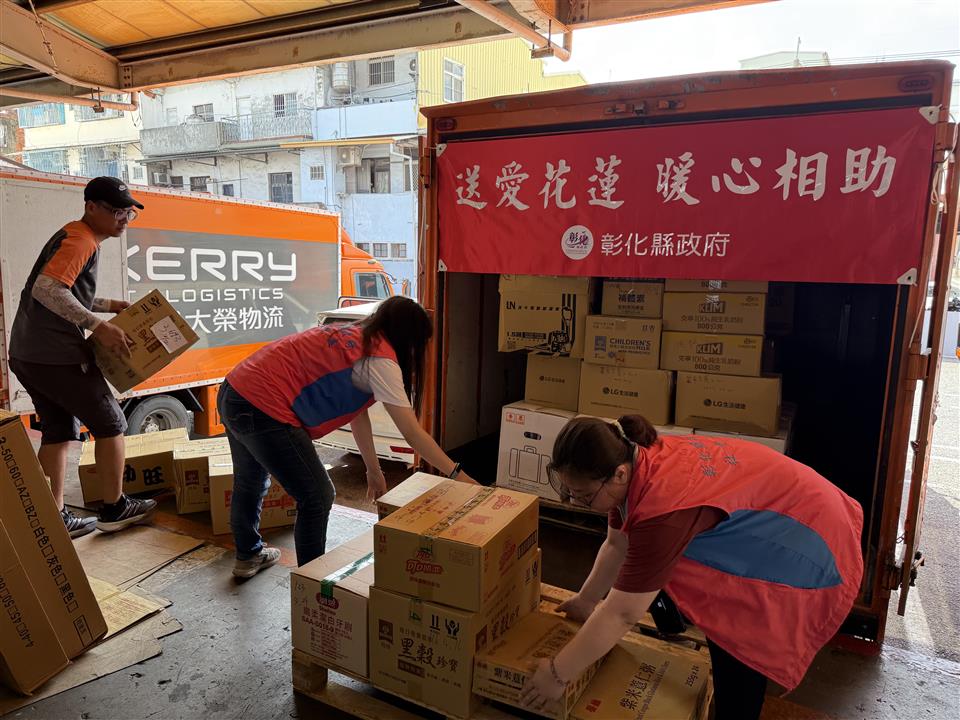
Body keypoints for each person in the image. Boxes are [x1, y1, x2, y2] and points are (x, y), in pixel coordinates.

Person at [520, 415, 863, 720]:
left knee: (742, 635)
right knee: (699, 598)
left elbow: (622, 613)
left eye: (582, 495)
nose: (577, 501)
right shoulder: (631, 461)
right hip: (770, 507)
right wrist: (585, 601)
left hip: (804, 532)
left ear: (618, 474)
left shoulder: (662, 508)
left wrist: (557, 674)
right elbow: (617, 544)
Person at [218, 296, 476, 578]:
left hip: (235, 390)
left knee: (250, 480)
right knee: (317, 496)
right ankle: (311, 584)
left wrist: (373, 470)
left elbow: (356, 412)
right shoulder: (381, 360)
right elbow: (412, 433)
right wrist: (458, 475)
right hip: (264, 408)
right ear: (410, 339)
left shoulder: (354, 334)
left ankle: (248, 555)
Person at [8, 177, 156, 538]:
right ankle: (114, 508)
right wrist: (98, 326)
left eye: (128, 213)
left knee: (57, 431)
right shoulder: (81, 240)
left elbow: (66, 291)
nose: (123, 219)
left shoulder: (73, 234)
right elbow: (47, 290)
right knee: (112, 424)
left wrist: (108, 305)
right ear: (91, 207)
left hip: (28, 354)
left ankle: (53, 516)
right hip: (58, 355)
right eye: (116, 211)